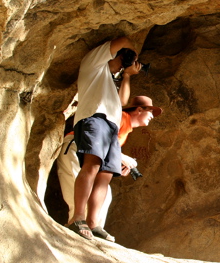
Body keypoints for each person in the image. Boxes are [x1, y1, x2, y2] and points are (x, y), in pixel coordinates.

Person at [67, 36, 143, 241]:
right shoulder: (93, 64)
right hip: (94, 118)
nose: (121, 64)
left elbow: (123, 101)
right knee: (92, 166)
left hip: (110, 126)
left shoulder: (110, 79)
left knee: (106, 174)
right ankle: (78, 217)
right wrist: (132, 53)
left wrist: (127, 75)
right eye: (121, 59)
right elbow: (124, 39)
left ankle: (93, 223)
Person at [57, 96, 162, 241]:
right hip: (77, 147)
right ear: (139, 110)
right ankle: (76, 227)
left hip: (88, 155)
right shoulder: (121, 118)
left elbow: (107, 151)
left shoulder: (126, 129)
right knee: (78, 186)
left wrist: (117, 162)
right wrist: (121, 156)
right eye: (150, 111)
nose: (152, 116)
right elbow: (98, 136)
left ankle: (93, 227)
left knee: (105, 194)